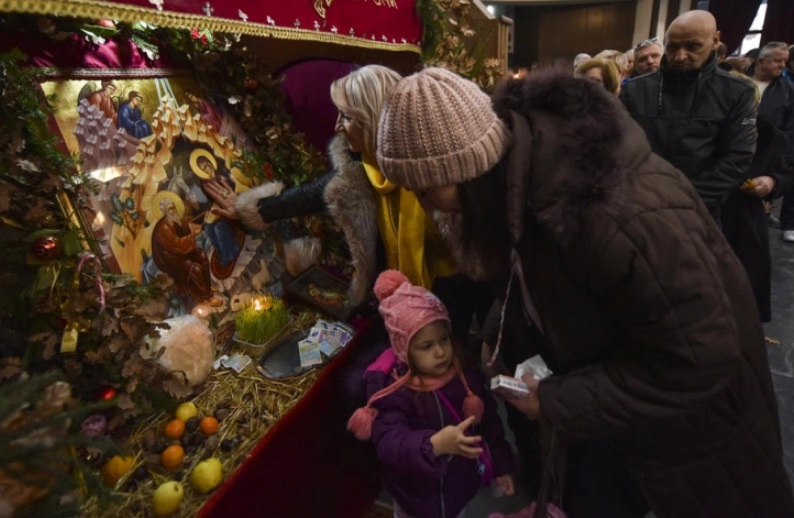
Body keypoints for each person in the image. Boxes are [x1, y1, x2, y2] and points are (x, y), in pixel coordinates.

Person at [374, 66, 794, 516]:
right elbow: (542, 279)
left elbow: (700, 355)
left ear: (468, 169)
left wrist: (556, 401)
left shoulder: (613, 212)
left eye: (426, 188)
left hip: (694, 437)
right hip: (622, 420)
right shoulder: (526, 185)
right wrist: (503, 327)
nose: (423, 205)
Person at [205, 65, 489, 343]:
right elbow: (311, 194)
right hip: (394, 305)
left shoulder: (441, 169)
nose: (337, 125)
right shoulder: (361, 168)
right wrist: (251, 209)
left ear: (374, 118)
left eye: (348, 117)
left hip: (451, 307)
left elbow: (485, 257)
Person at [347, 270, 515, 518]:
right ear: (403, 348)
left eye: (444, 339)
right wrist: (433, 445)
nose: (440, 352)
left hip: (458, 488)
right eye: (426, 346)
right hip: (414, 499)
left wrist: (502, 466)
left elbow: (489, 420)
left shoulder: (463, 375)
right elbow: (390, 444)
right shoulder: (391, 390)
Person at [621, 10, 757, 221]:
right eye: (672, 47)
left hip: (699, 209)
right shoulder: (635, 90)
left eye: (693, 47)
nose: (680, 56)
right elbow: (620, 147)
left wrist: (685, 200)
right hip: (639, 205)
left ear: (715, 41)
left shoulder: (739, 92)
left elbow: (737, 156)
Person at [151, 197, 221, 307]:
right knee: (194, 268)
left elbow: (185, 231)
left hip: (181, 254)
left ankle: (207, 287)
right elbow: (177, 244)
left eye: (174, 208)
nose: (173, 211)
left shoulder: (175, 220)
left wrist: (192, 228)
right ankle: (207, 298)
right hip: (171, 260)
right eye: (170, 209)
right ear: (164, 212)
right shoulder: (164, 227)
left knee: (201, 254)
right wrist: (193, 234)